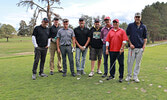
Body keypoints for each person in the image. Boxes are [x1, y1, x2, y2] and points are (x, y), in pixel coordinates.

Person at [125, 12, 147, 83]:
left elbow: (145, 38)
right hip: (132, 48)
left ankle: (135, 76)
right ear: (134, 18)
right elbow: (127, 36)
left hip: (140, 48)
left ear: (141, 18)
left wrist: (143, 46)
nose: (137, 18)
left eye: (139, 17)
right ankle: (129, 76)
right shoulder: (130, 25)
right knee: (130, 62)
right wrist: (130, 44)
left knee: (138, 63)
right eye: (136, 17)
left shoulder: (143, 27)